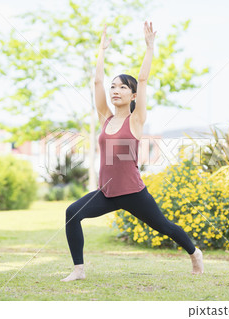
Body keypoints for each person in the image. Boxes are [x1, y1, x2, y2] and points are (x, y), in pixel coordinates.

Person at [61, 21, 203, 282]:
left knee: (165, 227)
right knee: (72, 213)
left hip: (133, 193)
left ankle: (195, 254)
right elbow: (96, 81)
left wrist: (150, 48)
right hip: (106, 193)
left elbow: (145, 79)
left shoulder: (136, 121)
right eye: (114, 86)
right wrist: (101, 50)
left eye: (123, 87)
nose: (115, 90)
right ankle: (79, 269)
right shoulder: (105, 117)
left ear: (134, 96)